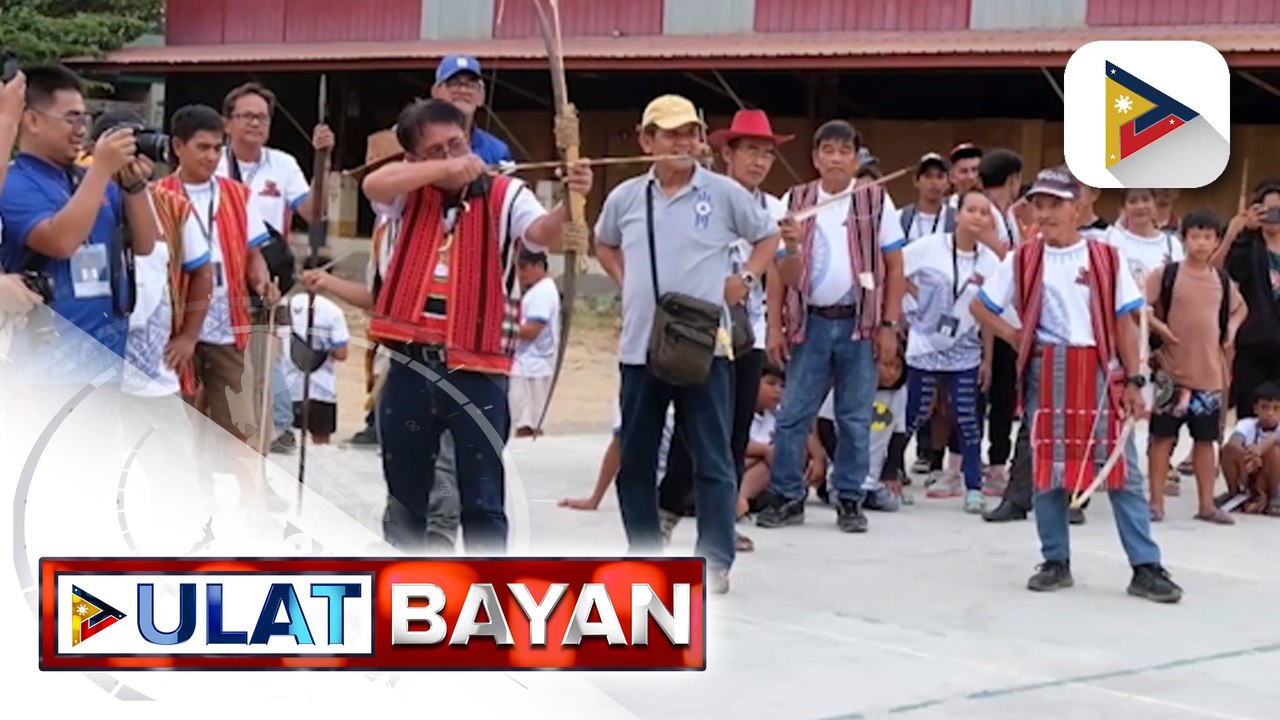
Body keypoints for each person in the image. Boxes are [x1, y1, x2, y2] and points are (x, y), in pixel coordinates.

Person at [359, 98, 591, 553]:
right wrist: (441, 170)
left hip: (478, 369)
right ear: (413, 159)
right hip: (411, 364)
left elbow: (541, 232)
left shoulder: (506, 192)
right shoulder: (406, 193)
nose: (454, 156)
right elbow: (374, 184)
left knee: (482, 500)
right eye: (436, 150)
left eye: (458, 144)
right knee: (405, 499)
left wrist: (571, 202)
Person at [972, 165, 1182, 604]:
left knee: (1121, 471)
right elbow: (982, 305)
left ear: (1079, 208)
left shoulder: (1105, 257)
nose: (1045, 214)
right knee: (1048, 472)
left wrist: (1133, 379)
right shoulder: (1023, 258)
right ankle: (1055, 561)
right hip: (1047, 369)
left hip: (1101, 373)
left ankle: (1145, 566)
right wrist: (1014, 336)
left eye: (1055, 205)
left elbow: (1126, 323)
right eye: (1039, 205)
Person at [594, 94, 777, 594]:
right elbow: (603, 241)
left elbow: (768, 236)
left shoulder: (721, 193)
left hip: (703, 344)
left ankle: (714, 558)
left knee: (712, 456)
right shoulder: (627, 197)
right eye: (670, 134)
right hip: (640, 345)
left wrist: (746, 276)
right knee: (637, 453)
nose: (683, 143)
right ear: (645, 139)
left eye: (691, 133)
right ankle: (643, 550)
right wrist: (624, 279)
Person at [756, 119, 905, 534]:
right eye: (828, 150)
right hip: (810, 323)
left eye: (844, 151)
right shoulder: (797, 199)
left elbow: (894, 266)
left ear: (856, 158)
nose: (836, 158)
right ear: (815, 157)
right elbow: (777, 272)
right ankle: (787, 495)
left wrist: (890, 324)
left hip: (860, 324)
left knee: (854, 418)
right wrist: (773, 326)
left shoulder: (875, 201)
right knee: (793, 415)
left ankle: (850, 498)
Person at [659, 108, 790, 552]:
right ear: (727, 153)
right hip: (697, 329)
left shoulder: (772, 208)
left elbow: (786, 271)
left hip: (746, 332)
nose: (758, 162)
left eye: (766, 154)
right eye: (750, 151)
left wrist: (794, 243)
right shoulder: (704, 196)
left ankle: (721, 524)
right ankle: (666, 510)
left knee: (734, 432)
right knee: (691, 429)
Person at [0, 64, 158, 385]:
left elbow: (146, 243)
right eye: (71, 118)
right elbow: (59, 242)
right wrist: (101, 170)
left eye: (85, 118)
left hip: (104, 357)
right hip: (47, 368)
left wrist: (134, 186)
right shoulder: (15, 181)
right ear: (31, 120)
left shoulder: (88, 179)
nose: (82, 130)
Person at [217, 82, 334, 452]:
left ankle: (260, 465)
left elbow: (314, 213)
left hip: (265, 286)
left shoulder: (282, 164)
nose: (255, 123)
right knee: (216, 376)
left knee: (261, 377)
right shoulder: (210, 159)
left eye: (262, 117)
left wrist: (323, 160)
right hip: (215, 285)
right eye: (247, 116)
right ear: (227, 122)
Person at [155, 104, 271, 442]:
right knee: (185, 415)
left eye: (217, 148)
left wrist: (261, 281)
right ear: (178, 146)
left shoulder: (238, 195)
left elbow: (254, 255)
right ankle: (195, 489)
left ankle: (254, 493)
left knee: (240, 424)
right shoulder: (157, 196)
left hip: (226, 322)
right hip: (176, 326)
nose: (211, 156)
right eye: (202, 148)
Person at [901, 189, 1002, 513]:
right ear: (956, 214)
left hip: (965, 351)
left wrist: (987, 357)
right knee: (915, 413)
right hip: (925, 346)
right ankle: (889, 474)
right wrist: (915, 304)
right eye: (971, 210)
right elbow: (893, 269)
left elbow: (989, 312)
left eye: (984, 212)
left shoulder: (990, 261)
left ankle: (973, 487)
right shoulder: (929, 247)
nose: (977, 217)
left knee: (967, 418)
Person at [1146, 209, 1246, 524]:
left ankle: (1205, 504)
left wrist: (1229, 332)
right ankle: (1156, 502)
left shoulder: (1222, 280)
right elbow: (1140, 308)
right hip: (1171, 374)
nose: (1201, 244)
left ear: (1217, 242)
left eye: (1208, 238)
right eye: (1195, 237)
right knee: (1162, 439)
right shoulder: (1166, 275)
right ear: (1183, 238)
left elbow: (1240, 310)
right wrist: (1160, 329)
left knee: (1206, 441)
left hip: (1209, 376)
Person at [1217, 180, 1280, 418]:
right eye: (1267, 210)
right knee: (1249, 415)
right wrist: (1240, 231)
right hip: (1253, 344)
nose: (1273, 216)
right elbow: (1223, 272)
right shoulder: (1249, 247)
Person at [280, 256, 349, 446]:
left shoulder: (285, 305)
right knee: (321, 444)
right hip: (322, 390)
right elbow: (341, 354)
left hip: (289, 387)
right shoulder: (334, 312)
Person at [510, 248, 560, 437]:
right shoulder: (537, 291)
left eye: (523, 268)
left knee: (526, 426)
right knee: (523, 423)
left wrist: (500, 329)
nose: (520, 274)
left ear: (539, 266)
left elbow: (531, 331)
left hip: (531, 369)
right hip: (528, 366)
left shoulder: (542, 292)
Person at [432, 55, 513, 165]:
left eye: (471, 85)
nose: (463, 90)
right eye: (454, 83)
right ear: (435, 92)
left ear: (481, 96)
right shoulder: (418, 143)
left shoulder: (498, 152)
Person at [1219, 381, 1280, 515]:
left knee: (1273, 450)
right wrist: (1251, 456)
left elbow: (1275, 439)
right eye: (1264, 407)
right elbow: (1234, 442)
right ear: (1255, 409)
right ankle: (1235, 493)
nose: (1270, 413)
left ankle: (1275, 498)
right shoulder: (1247, 424)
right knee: (1228, 450)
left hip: (1274, 479)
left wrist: (1260, 450)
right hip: (1251, 473)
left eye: (1276, 408)